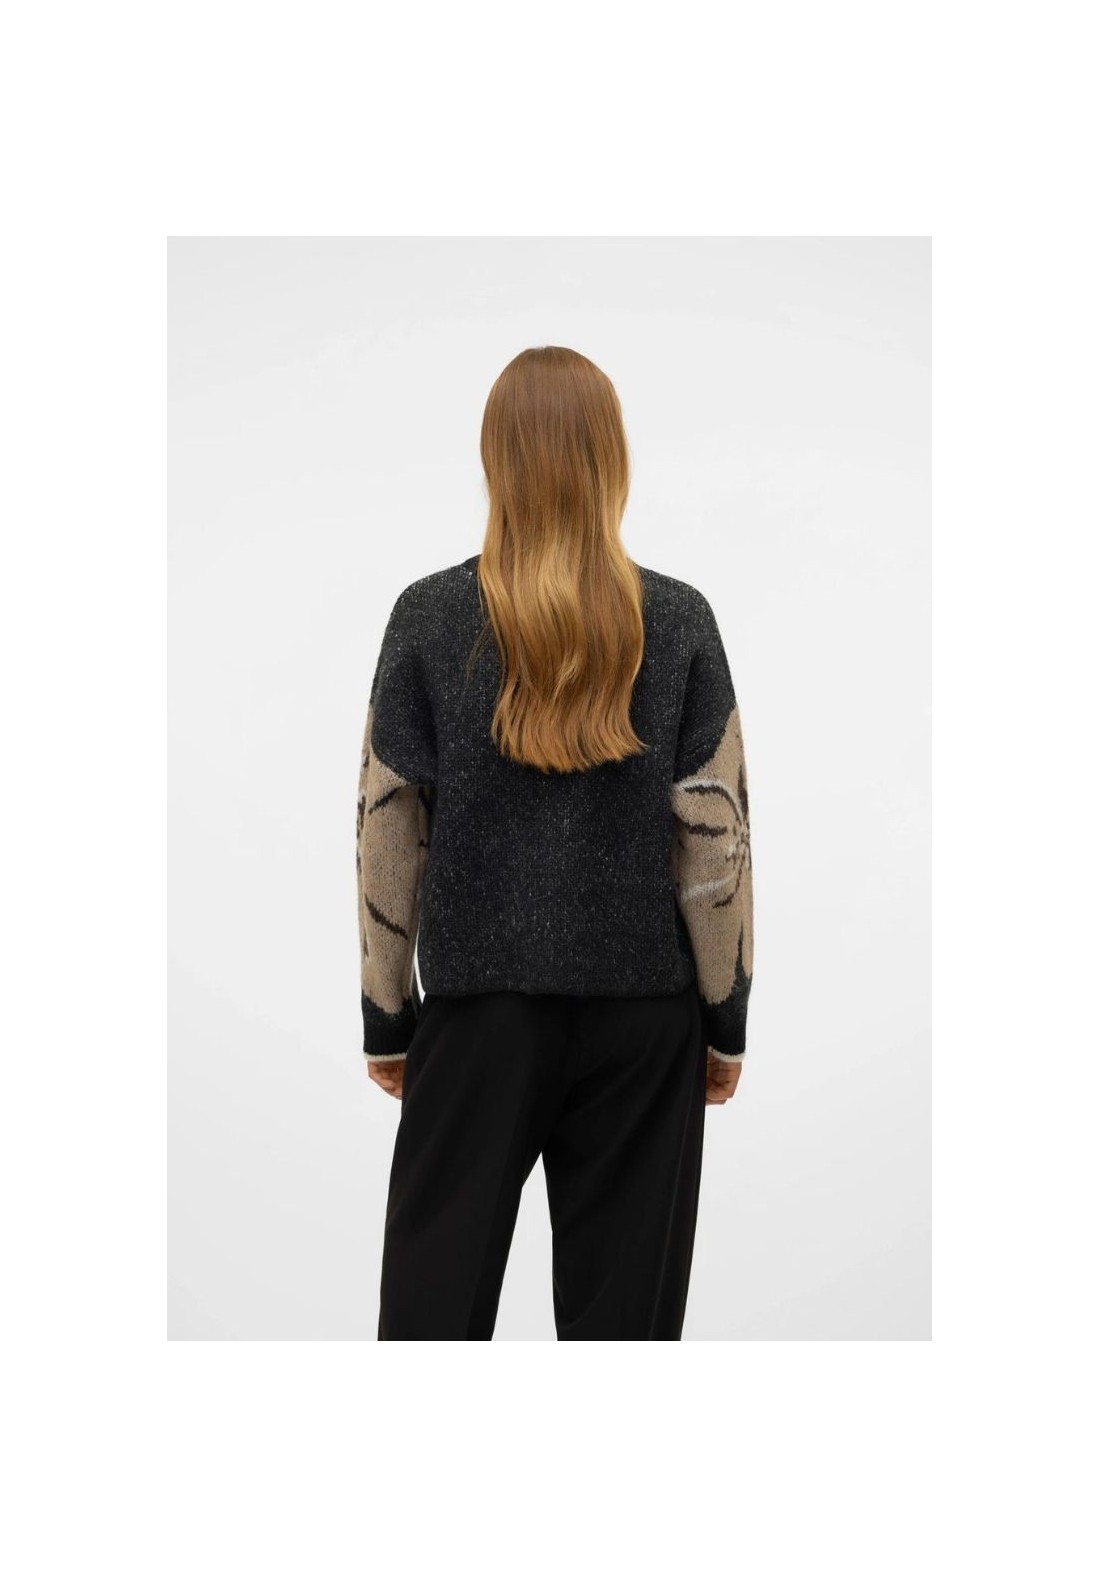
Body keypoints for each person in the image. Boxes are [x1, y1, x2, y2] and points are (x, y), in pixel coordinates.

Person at [356, 346, 754, 1341]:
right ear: (610, 458)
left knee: (428, 1327)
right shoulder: (677, 618)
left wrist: (387, 1015)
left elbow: (388, 825)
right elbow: (715, 837)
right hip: (643, 1025)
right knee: (625, 1338)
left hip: (477, 1021)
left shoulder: (429, 615)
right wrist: (724, 1019)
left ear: (494, 458)